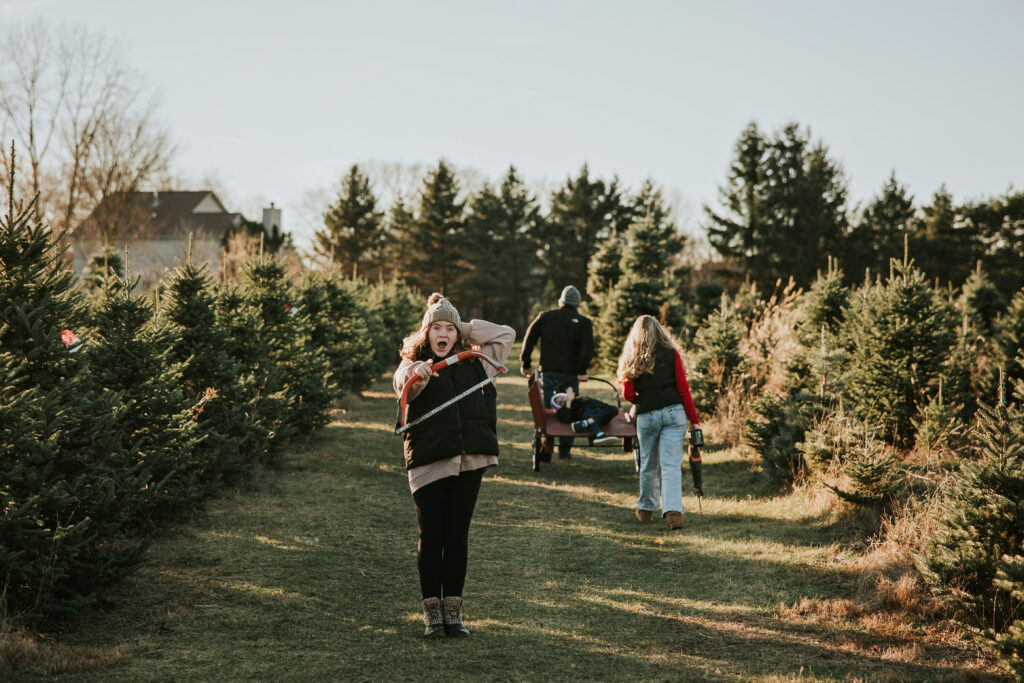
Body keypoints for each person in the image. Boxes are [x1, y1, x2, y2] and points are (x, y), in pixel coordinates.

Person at [393, 292, 515, 638]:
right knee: (431, 535)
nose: (443, 334)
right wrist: (417, 374)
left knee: (457, 535)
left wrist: (463, 327)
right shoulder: (412, 365)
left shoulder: (478, 360)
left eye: (449, 329)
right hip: (430, 461)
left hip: (469, 459)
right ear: (426, 333)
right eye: (436, 328)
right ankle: (432, 615)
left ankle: (454, 614)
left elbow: (507, 335)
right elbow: (402, 385)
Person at [617, 315, 701, 530]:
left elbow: (627, 393)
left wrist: (641, 400)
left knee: (648, 464)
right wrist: (694, 420)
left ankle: (646, 509)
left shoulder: (632, 357)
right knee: (671, 466)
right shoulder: (671, 354)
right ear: (660, 331)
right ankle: (673, 513)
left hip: (648, 416)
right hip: (674, 413)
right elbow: (683, 388)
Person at [519, 285, 594, 459]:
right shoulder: (583, 322)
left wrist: (526, 363)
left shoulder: (546, 317)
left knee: (548, 410)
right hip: (571, 375)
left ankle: (546, 449)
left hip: (549, 372)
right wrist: (582, 370)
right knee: (569, 408)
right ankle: (565, 451)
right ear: (577, 303)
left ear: (561, 301)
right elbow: (587, 348)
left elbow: (529, 339)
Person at [549, 386, 619, 445]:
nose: (563, 400)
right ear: (558, 407)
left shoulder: (578, 399)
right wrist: (568, 402)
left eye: (562, 397)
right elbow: (565, 418)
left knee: (614, 409)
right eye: (560, 402)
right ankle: (599, 434)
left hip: (601, 410)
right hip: (586, 411)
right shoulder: (564, 409)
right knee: (590, 415)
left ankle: (585, 423)